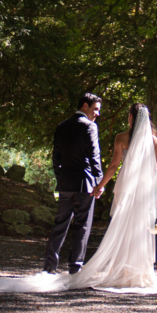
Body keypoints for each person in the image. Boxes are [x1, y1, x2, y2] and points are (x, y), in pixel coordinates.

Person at [0, 102, 157, 295]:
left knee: (123, 225)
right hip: (146, 190)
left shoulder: (122, 137)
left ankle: (122, 271)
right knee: (140, 228)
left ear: (131, 118)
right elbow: (155, 168)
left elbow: (113, 167)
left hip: (127, 188)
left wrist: (99, 186)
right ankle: (139, 271)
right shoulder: (154, 140)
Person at [43, 91, 103, 275]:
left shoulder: (61, 126)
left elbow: (56, 157)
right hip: (85, 183)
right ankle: (75, 267)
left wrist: (61, 178)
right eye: (95, 109)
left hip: (65, 184)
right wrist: (99, 181)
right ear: (84, 106)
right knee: (82, 225)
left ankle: (49, 267)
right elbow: (94, 156)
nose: (97, 114)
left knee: (60, 224)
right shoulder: (90, 127)